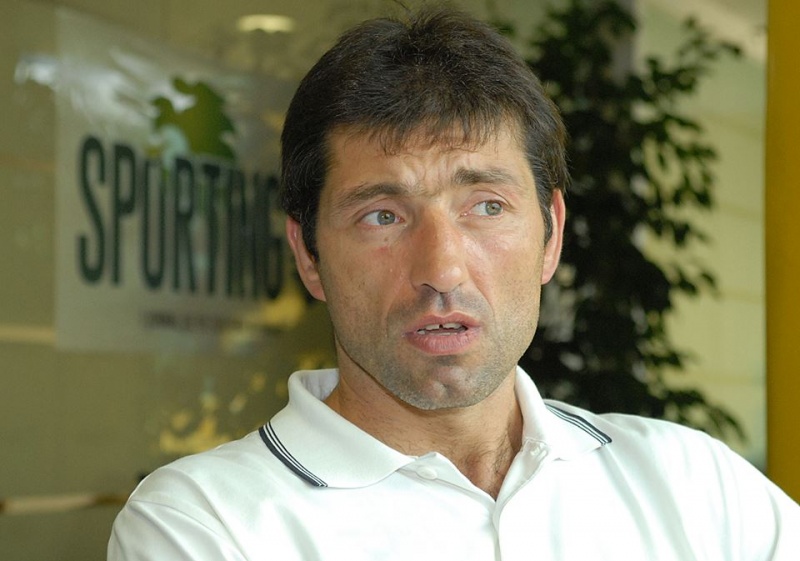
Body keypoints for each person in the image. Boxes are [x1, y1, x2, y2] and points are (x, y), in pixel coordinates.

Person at [108, 7, 800, 560]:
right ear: (309, 255)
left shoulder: (694, 487)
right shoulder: (205, 524)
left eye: (487, 206)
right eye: (382, 215)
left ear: (551, 234)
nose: (441, 270)